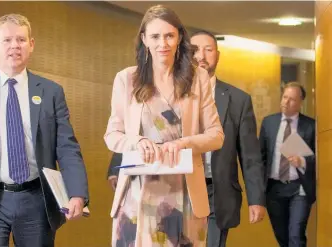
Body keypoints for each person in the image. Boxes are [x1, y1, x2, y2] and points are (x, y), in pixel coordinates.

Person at [0, 14, 89, 247]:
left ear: (31, 45)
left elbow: (67, 148)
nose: (14, 46)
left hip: (36, 199)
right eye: (7, 40)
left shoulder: (51, 92)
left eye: (21, 40)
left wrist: (77, 193)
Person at [104, 5, 224, 247]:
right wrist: (137, 141)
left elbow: (216, 135)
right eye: (155, 36)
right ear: (144, 39)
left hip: (185, 192)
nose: (163, 43)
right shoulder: (127, 79)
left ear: (179, 37)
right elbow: (112, 135)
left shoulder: (197, 77)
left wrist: (183, 143)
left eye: (169, 35)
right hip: (138, 194)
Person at [190, 31, 266, 247]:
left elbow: (250, 155)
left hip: (218, 191)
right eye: (195, 50)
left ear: (218, 55)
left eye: (208, 50)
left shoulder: (238, 100)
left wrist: (256, 199)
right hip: (182, 187)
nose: (201, 56)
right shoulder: (174, 94)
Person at [259, 82, 315, 247]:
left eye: (291, 99)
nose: (285, 102)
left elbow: (320, 158)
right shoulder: (269, 123)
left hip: (300, 188)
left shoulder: (310, 126)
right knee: (282, 236)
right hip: (274, 189)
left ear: (300, 102)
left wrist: (302, 161)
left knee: (296, 236)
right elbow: (259, 156)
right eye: (284, 97)